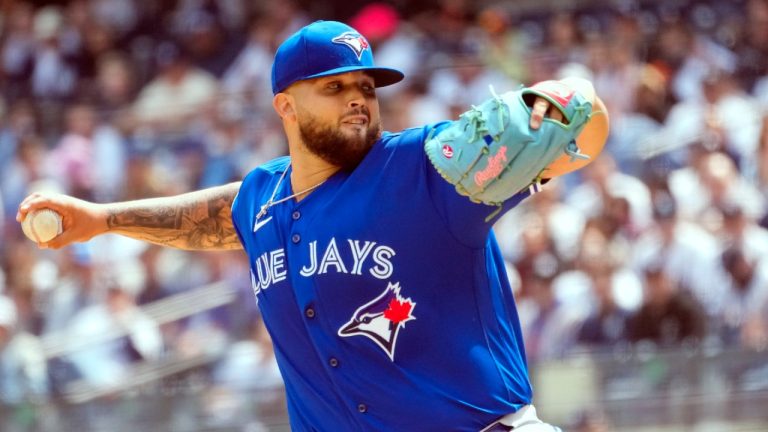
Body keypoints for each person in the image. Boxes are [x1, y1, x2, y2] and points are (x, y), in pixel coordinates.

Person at [17, 20, 602, 431]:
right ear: (285, 106)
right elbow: (223, 215)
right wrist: (104, 220)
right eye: (335, 86)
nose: (358, 99)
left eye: (366, 88)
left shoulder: (425, 168)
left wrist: (560, 106)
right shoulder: (264, 199)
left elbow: (582, 121)